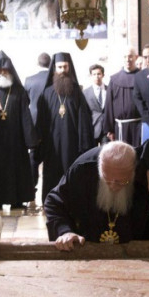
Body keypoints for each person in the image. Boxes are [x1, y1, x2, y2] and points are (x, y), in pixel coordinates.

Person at [44, 138, 149, 250]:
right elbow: (54, 201)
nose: (114, 186)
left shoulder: (145, 177)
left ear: (133, 172)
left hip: (133, 259)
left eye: (122, 182)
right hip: (87, 253)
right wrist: (65, 231)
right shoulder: (84, 169)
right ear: (99, 168)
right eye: (107, 180)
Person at [0, 51, 37, 209]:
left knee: (15, 168)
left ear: (10, 72)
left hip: (14, 138)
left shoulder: (19, 91)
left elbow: (25, 115)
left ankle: (17, 199)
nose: (2, 73)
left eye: (5, 70)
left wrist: (30, 139)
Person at [36, 52, 93, 204]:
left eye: (65, 67)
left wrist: (84, 145)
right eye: (60, 67)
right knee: (52, 174)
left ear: (69, 68)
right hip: (51, 145)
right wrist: (39, 143)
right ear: (54, 69)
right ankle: (50, 202)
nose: (62, 70)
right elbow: (41, 121)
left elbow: (84, 121)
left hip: (72, 144)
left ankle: (71, 203)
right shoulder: (46, 93)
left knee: (71, 173)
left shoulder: (77, 93)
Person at [23, 52, 51, 187]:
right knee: (51, 155)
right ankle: (50, 185)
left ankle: (31, 185)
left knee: (34, 154)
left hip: (34, 121)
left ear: (37, 63)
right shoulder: (54, 79)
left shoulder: (29, 80)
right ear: (50, 64)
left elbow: (25, 102)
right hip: (52, 121)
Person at [104, 47, 142, 145]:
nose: (127, 59)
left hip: (140, 126)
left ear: (136, 57)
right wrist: (110, 129)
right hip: (120, 127)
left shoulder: (143, 77)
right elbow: (109, 105)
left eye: (130, 56)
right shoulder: (114, 80)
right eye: (125, 57)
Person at [83, 64, 108, 146]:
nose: (97, 76)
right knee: (93, 152)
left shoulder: (109, 90)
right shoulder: (85, 93)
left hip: (106, 130)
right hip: (92, 129)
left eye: (99, 74)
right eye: (94, 74)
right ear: (91, 76)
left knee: (106, 151)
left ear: (103, 75)